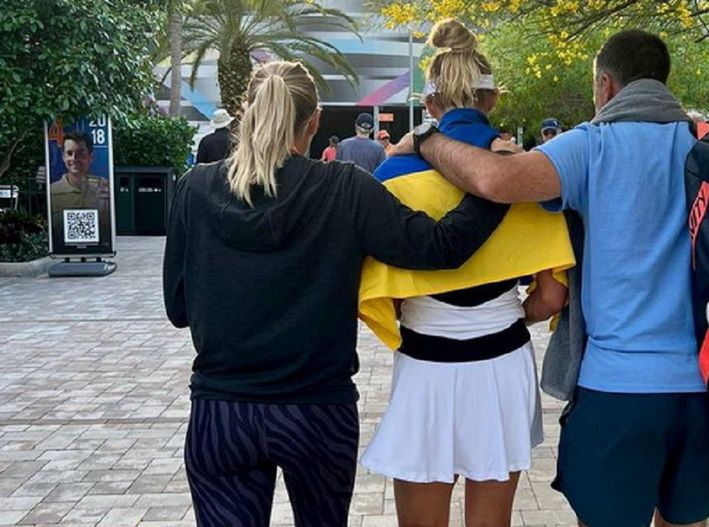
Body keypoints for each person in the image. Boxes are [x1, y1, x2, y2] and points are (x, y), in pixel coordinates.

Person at [393, 29, 709, 527]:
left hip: (616, 385)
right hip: (704, 380)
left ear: (605, 85)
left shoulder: (591, 145)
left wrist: (428, 138)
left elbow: (495, 181)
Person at [162, 60, 509, 527]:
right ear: (315, 121)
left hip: (221, 412)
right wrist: (494, 182)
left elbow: (178, 308)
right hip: (318, 412)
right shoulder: (344, 188)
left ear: (246, 112)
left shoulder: (194, 189)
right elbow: (440, 247)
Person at [359, 19, 573, 527]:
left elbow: (385, 292)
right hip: (502, 362)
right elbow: (550, 298)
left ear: (430, 105)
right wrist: (514, 313)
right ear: (491, 99)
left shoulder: (390, 177)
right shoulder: (527, 176)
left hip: (425, 364)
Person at [49, 131, 111, 249]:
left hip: (97, 249)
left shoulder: (105, 189)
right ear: (63, 157)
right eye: (69, 153)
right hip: (63, 249)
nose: (74, 159)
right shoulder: (52, 191)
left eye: (80, 154)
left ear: (91, 157)